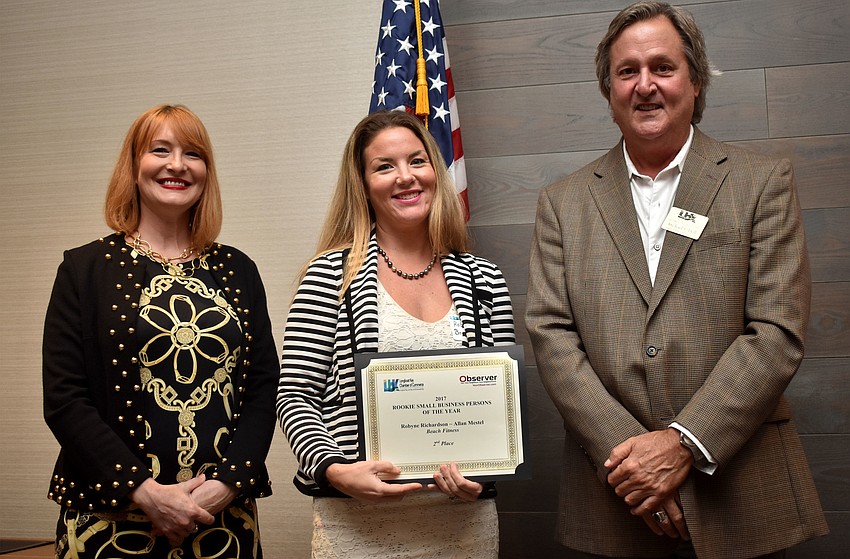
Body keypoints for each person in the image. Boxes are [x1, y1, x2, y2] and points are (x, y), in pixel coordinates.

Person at [525, 2, 829, 558]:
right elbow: (551, 335)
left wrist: (684, 444)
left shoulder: (761, 183)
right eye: (627, 71)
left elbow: (777, 332)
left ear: (694, 81)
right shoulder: (562, 203)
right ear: (608, 91)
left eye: (663, 67)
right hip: (613, 498)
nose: (645, 85)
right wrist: (631, 460)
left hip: (738, 494)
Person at [42, 104, 278, 558]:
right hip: (108, 520)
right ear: (133, 165)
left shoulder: (237, 269)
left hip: (221, 521)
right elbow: (64, 397)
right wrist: (146, 493)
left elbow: (264, 386)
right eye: (160, 150)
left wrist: (225, 486)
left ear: (206, 171)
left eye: (193, 153)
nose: (176, 165)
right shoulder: (84, 269)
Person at [277, 109, 515, 558]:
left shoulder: (485, 279)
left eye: (417, 161)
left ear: (436, 172)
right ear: (363, 185)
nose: (405, 177)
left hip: (462, 526)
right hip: (359, 529)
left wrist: (488, 473)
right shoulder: (330, 275)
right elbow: (295, 395)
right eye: (384, 166)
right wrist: (332, 469)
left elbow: (503, 403)